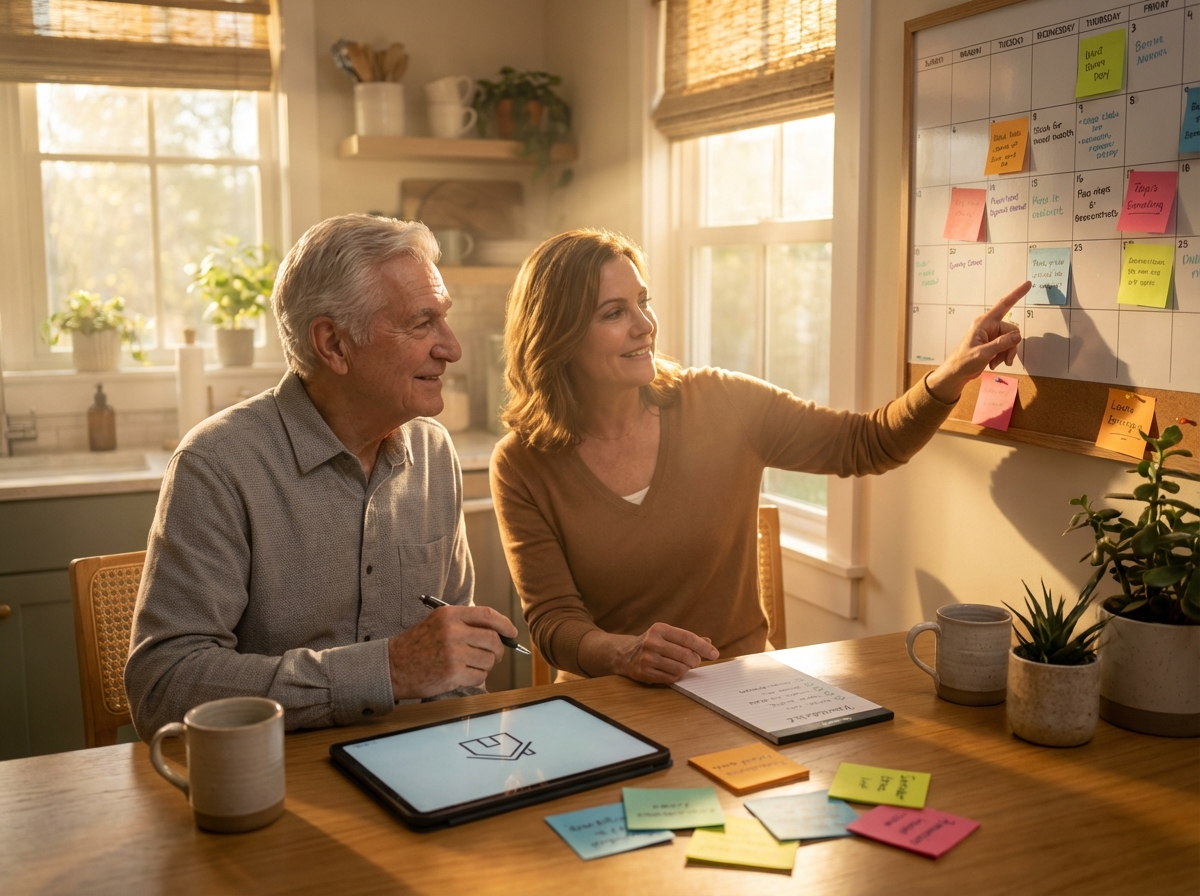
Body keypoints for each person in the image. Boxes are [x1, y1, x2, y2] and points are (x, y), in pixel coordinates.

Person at [490, 229, 1028, 685]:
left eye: (643, 302)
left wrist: (949, 376)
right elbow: (555, 623)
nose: (645, 325)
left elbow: (865, 443)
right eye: (615, 313)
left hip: (742, 686)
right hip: (611, 701)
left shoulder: (720, 402)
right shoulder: (522, 463)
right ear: (557, 337)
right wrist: (624, 653)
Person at [126, 215, 517, 739]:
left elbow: (456, 674)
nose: (451, 347)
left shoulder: (433, 451)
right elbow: (164, 687)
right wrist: (387, 670)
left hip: (420, 764)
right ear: (333, 344)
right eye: (422, 323)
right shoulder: (217, 464)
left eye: (442, 319)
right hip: (277, 779)